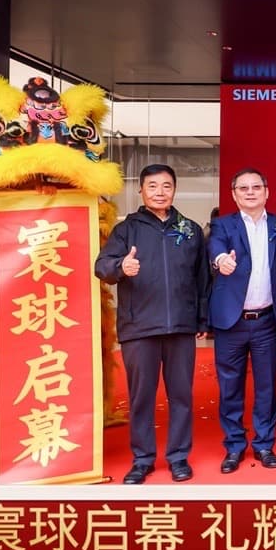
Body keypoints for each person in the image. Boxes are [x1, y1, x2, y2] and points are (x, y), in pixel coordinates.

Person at [95, 164, 210, 484]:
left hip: (181, 328)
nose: (160, 192)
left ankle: (178, 457)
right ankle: (142, 459)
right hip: (140, 328)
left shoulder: (189, 229)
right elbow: (101, 266)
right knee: (141, 398)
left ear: (174, 190)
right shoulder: (126, 230)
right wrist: (121, 266)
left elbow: (202, 278)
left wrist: (202, 318)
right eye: (153, 186)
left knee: (182, 397)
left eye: (166, 186)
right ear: (141, 191)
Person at [207, 168, 276, 474]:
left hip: (267, 320)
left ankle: (264, 444)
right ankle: (234, 446)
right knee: (230, 386)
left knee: (266, 387)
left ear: (267, 192)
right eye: (243, 188)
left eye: (256, 187)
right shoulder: (222, 225)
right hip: (231, 321)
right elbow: (215, 248)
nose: (251, 192)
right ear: (234, 194)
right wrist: (221, 261)